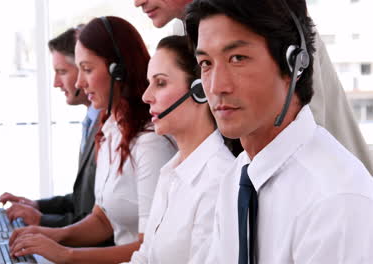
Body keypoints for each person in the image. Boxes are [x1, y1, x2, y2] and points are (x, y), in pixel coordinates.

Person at [185, 0, 373, 262]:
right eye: (206, 63)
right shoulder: (237, 177)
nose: (216, 86)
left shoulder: (336, 199)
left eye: (237, 58)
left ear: (294, 64)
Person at [133, 0, 373, 174]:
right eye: (205, 62)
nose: (138, 2)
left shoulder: (271, 15)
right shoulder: (184, 32)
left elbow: (300, 128)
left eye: (237, 58)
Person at [9, 16, 177, 263]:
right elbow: (103, 219)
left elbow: (149, 248)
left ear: (118, 69)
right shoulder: (111, 130)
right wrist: (48, 234)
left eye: (87, 69)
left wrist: (66, 255)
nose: (79, 82)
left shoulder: (151, 143)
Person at [121, 35, 235, 264]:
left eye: (160, 83)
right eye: (149, 83)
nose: (146, 96)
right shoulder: (171, 172)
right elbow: (144, 257)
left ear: (200, 90)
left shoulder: (219, 180)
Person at [0, 26, 102, 229]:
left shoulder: (112, 127)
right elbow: (85, 200)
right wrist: (37, 206)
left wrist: (41, 220)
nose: (55, 83)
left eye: (62, 72)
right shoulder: (91, 122)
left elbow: (104, 221)